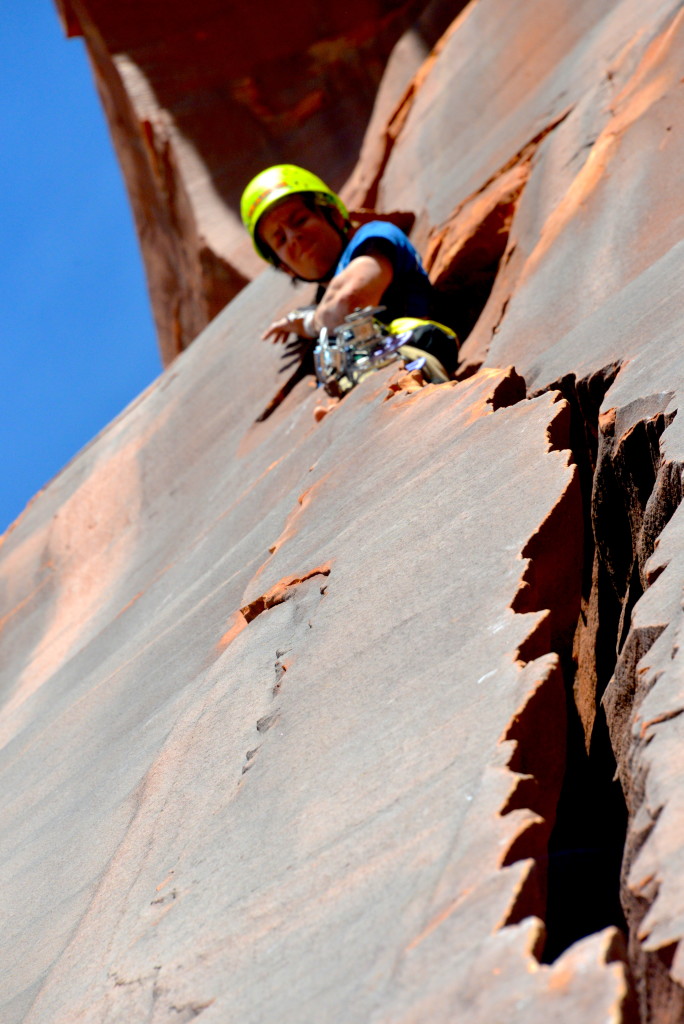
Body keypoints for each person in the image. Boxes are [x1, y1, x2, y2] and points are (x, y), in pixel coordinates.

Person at [240, 165, 459, 383]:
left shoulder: (375, 237)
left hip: (419, 360)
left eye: (300, 220)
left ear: (333, 215)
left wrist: (308, 324)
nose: (294, 236)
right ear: (284, 266)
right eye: (280, 239)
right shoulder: (323, 303)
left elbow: (350, 299)